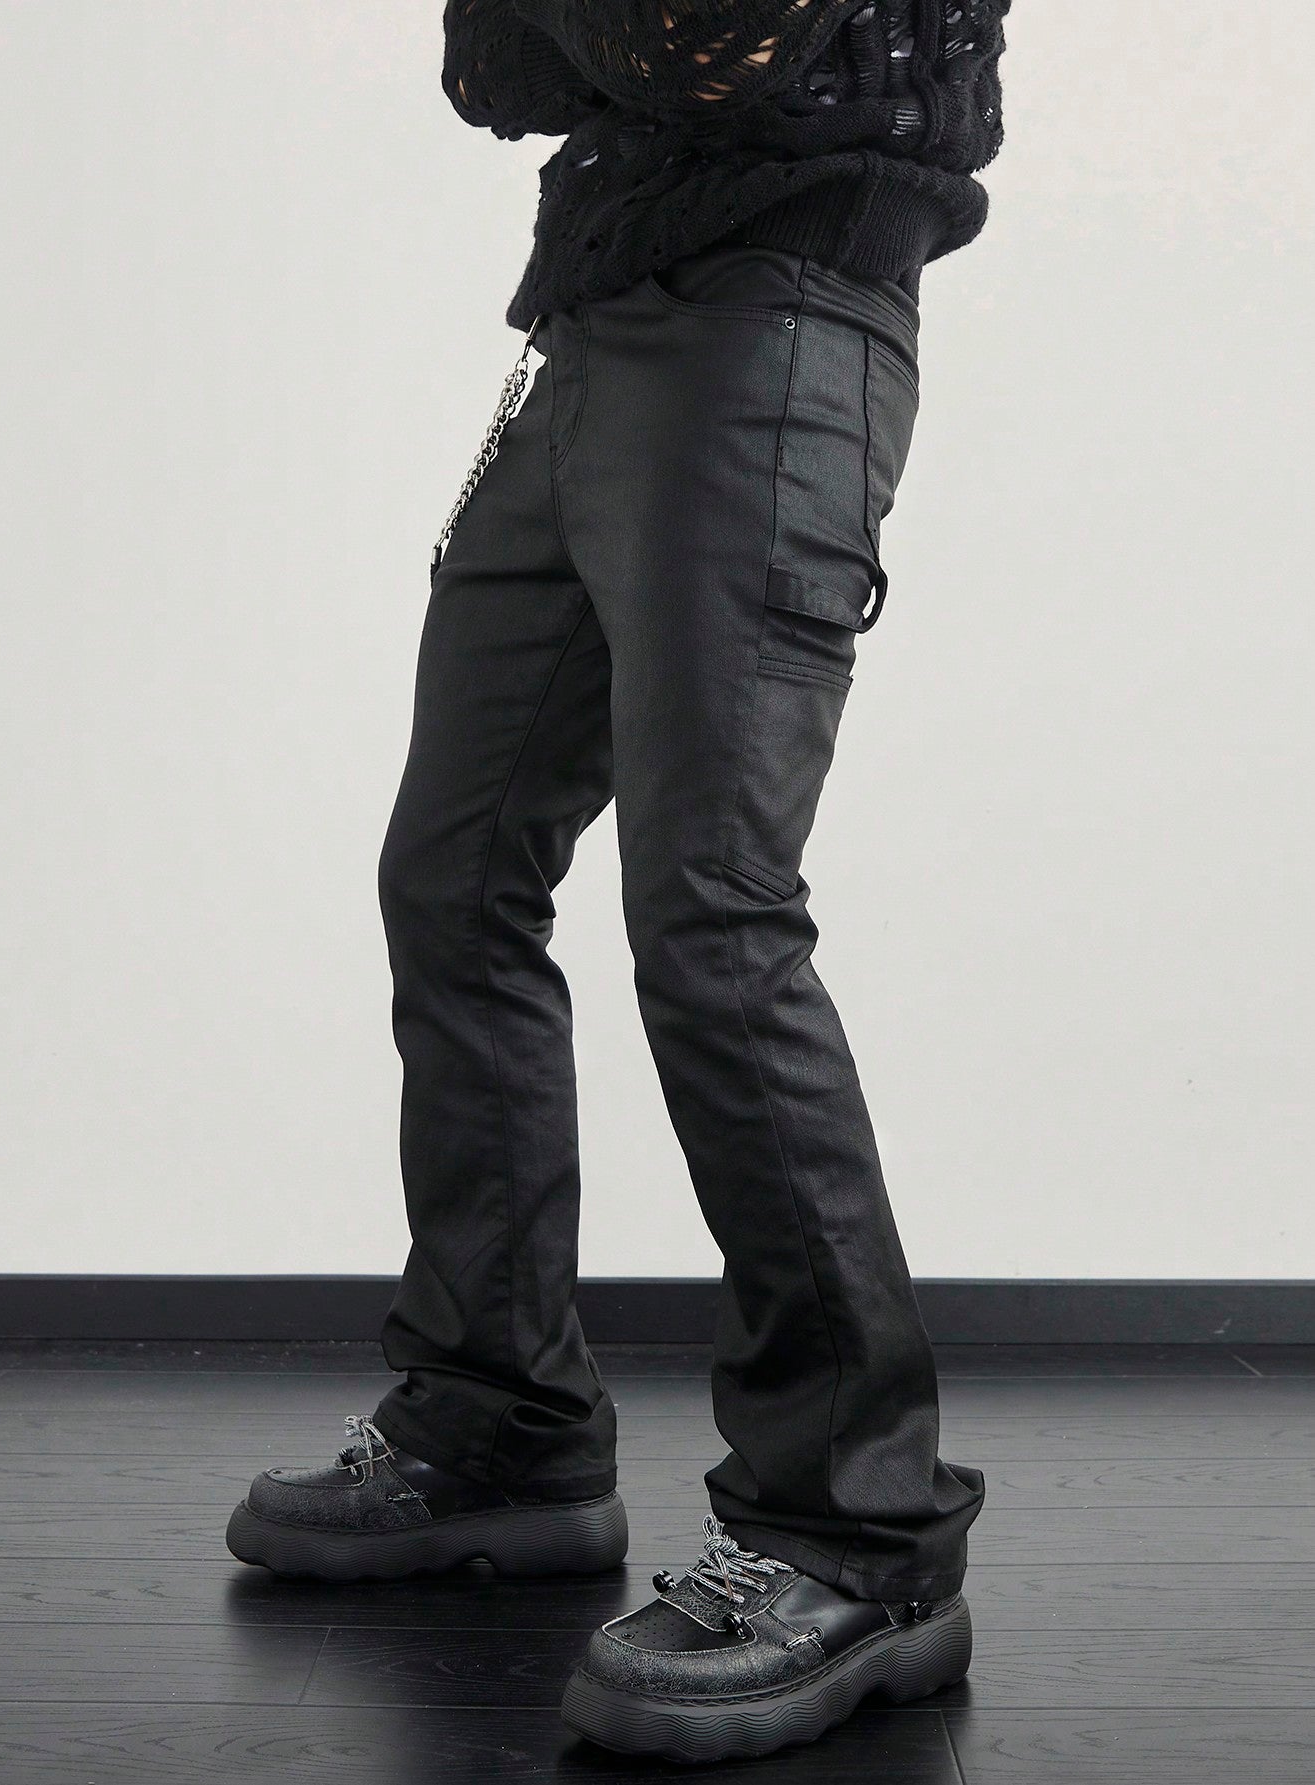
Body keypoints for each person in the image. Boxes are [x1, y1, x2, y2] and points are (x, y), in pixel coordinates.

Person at [227, 0, 1011, 1763]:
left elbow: (696, 46)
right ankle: (501, 1417)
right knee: (453, 874)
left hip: (780, 331)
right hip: (591, 330)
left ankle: (860, 1530)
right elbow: (490, 69)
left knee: (714, 915)